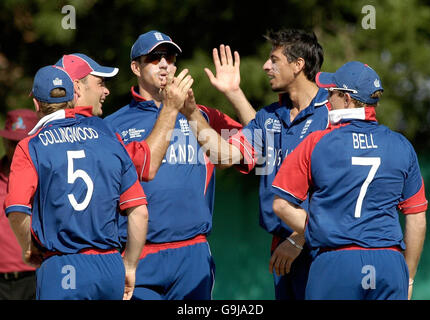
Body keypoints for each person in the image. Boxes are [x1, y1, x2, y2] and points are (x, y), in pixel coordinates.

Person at [182, 28, 329, 300]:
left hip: (326, 248)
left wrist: (300, 237)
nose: (265, 66)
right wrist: (190, 112)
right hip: (281, 248)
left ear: (298, 65)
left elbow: (344, 192)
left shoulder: (333, 113)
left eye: (274, 59)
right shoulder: (269, 117)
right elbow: (223, 156)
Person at [104, 30, 242, 300]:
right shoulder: (113, 125)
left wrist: (235, 93)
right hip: (137, 254)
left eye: (170, 56)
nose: (165, 63)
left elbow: (258, 148)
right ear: (136, 67)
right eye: (154, 57)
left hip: (192, 252)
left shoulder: (200, 114)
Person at [272, 61, 427, 300]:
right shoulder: (402, 145)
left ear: (347, 99)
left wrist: (320, 229)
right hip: (389, 263)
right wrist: (408, 278)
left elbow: (281, 205)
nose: (326, 99)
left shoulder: (316, 142)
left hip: (337, 262)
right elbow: (416, 218)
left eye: (331, 92)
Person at [5, 65, 149, 300]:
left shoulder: (31, 146)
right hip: (109, 266)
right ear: (73, 98)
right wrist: (130, 265)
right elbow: (139, 211)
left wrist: (28, 246)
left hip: (62, 265)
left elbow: (17, 209)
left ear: (36, 104)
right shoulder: (108, 137)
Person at [55, 53, 192, 182]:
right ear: (77, 87)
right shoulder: (103, 135)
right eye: (100, 83)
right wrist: (170, 107)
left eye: (169, 57)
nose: (106, 90)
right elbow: (145, 166)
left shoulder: (37, 140)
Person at [0, 109, 38, 300]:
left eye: (21, 142)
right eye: (12, 142)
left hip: (35, 275)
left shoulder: (46, 178)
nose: (15, 149)